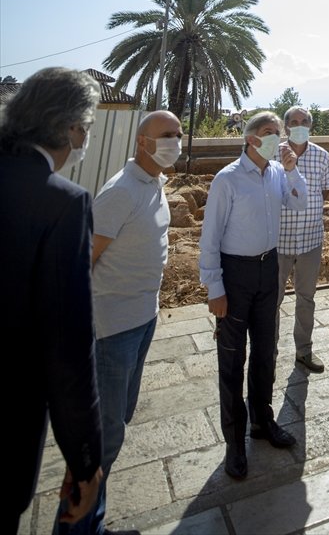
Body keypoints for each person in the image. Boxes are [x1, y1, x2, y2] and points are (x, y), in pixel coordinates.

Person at [67, 110, 183, 535]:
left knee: (118, 422)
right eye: (165, 135)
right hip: (112, 328)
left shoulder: (154, 184)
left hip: (143, 319)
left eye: (178, 133)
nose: (175, 140)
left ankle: (87, 522)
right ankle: (79, 528)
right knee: (103, 437)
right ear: (142, 143)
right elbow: (83, 262)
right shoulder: (119, 192)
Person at [0, 67, 103, 533]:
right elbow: (68, 348)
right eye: (85, 127)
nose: (84, 138)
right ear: (69, 128)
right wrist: (85, 462)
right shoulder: (61, 202)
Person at [199, 110, 308, 480]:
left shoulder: (278, 172)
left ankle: (263, 420)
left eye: (278, 132)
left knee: (266, 350)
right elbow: (210, 238)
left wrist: (292, 169)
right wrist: (215, 287)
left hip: (268, 268)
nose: (275, 138)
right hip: (235, 273)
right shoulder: (227, 179)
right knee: (232, 359)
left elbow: (299, 202)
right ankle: (233, 442)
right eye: (268, 132)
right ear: (249, 139)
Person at [274, 105, 329, 372]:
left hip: (310, 239)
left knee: (306, 298)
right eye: (294, 121)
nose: (299, 125)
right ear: (286, 126)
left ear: (310, 125)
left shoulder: (321, 156)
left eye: (304, 121)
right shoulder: (273, 154)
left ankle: (304, 351)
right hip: (277, 240)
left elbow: (325, 191)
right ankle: (269, 354)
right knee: (271, 301)